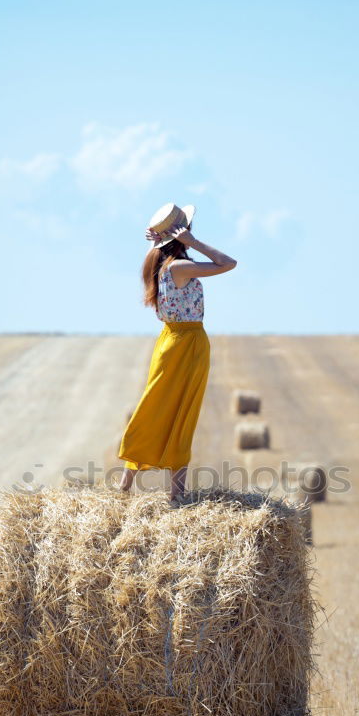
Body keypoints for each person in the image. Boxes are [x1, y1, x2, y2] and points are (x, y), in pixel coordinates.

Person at [117, 202, 237, 503]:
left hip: (168, 341)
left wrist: (161, 242)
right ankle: (176, 493)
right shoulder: (180, 266)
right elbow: (228, 263)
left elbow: (159, 250)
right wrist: (193, 243)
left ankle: (126, 485)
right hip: (189, 342)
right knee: (183, 412)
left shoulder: (153, 261)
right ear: (182, 233)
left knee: (155, 407)